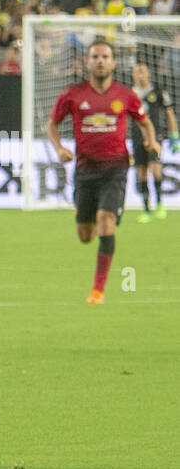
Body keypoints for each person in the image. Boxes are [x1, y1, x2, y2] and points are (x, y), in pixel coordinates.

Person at [46, 39, 159, 303]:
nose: (100, 61)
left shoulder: (125, 95)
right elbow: (52, 125)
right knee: (86, 236)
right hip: (85, 171)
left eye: (105, 56)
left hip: (115, 169)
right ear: (87, 61)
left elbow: (145, 122)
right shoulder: (73, 94)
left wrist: (150, 141)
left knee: (106, 222)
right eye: (95, 56)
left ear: (113, 62)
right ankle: (95, 217)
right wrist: (59, 148)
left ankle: (98, 289)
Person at [129, 61, 176, 221]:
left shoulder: (158, 91)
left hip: (156, 137)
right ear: (133, 75)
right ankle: (146, 209)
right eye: (137, 71)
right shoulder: (130, 94)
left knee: (155, 169)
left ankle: (160, 204)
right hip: (137, 138)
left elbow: (169, 113)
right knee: (141, 172)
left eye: (143, 71)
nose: (140, 74)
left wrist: (174, 136)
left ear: (148, 73)